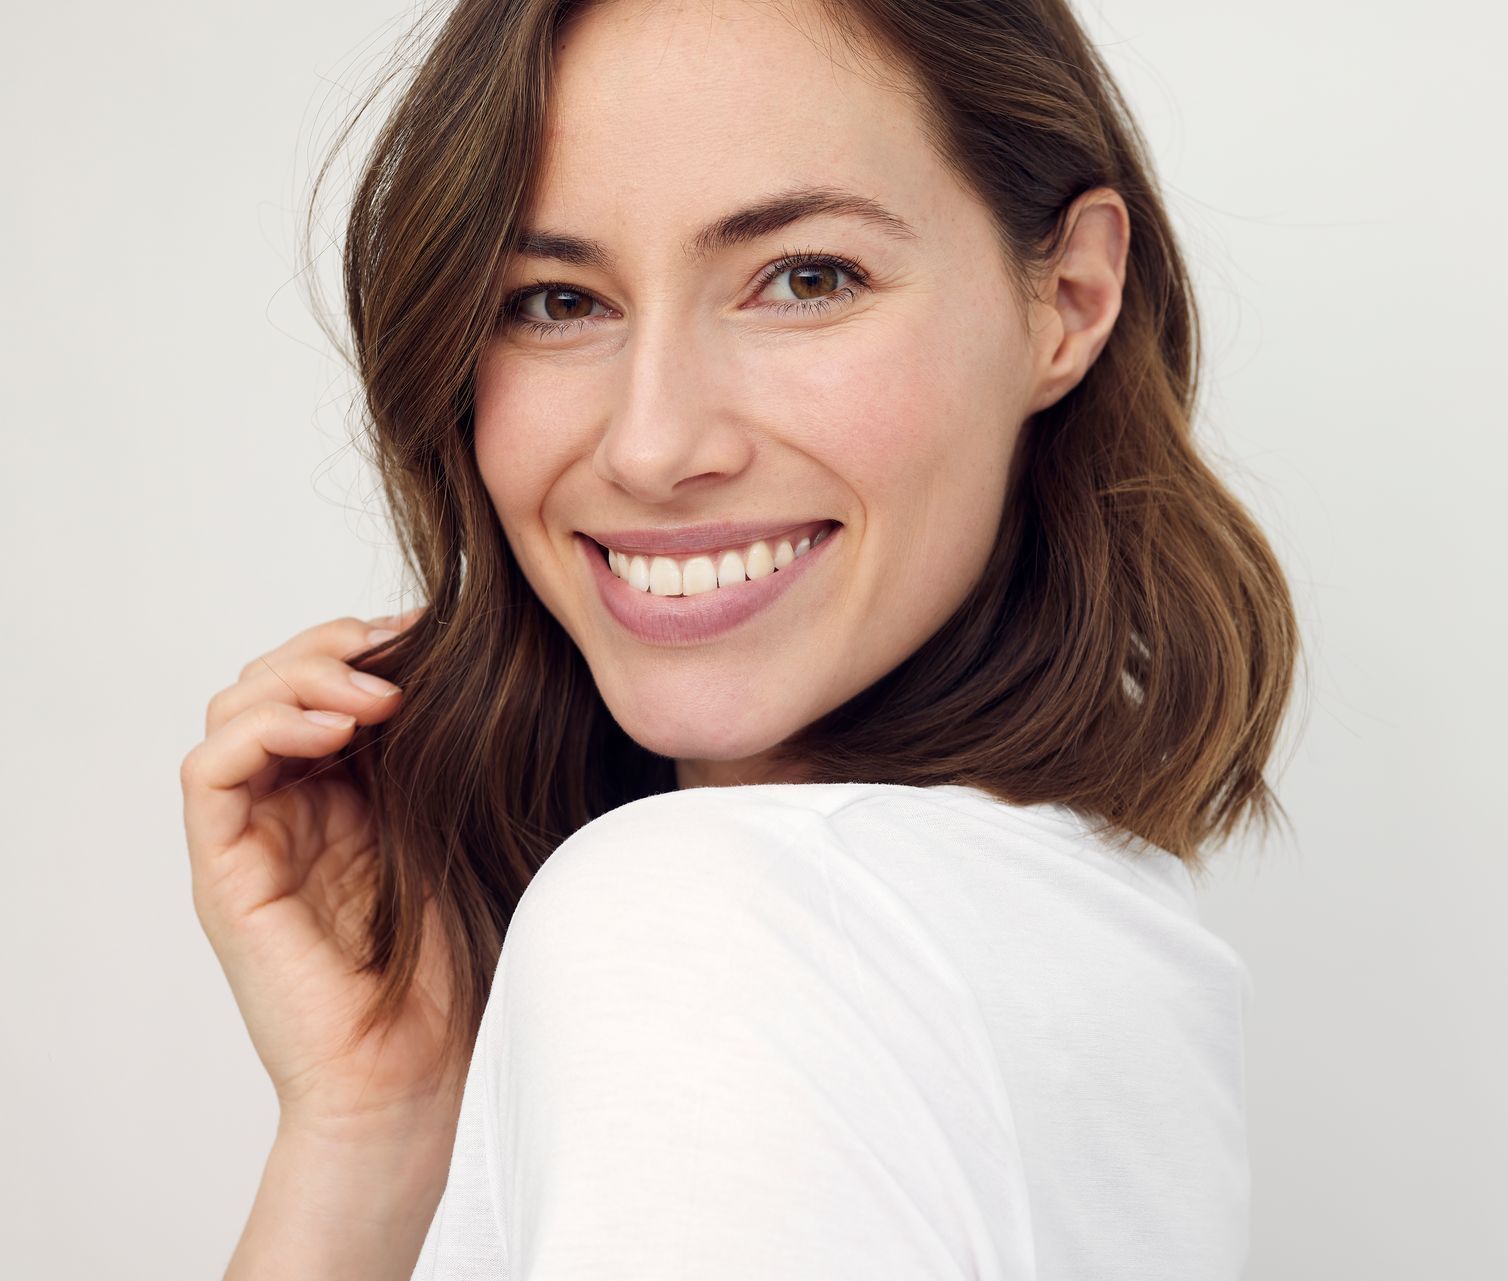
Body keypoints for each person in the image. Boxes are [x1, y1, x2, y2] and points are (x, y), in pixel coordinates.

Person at [179, 0, 1299, 1276]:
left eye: (806, 280)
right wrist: (376, 1128)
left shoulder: (704, 921)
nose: (652, 446)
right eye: (555, 300)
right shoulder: (1084, 928)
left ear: (1069, 297)